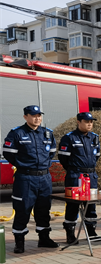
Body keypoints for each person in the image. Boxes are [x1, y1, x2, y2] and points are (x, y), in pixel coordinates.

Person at [3, 105, 59, 253]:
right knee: (23, 209)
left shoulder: (47, 133)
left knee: (44, 209)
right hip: (25, 178)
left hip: (44, 178)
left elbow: (52, 152)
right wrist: (23, 165)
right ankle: (19, 242)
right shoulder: (17, 133)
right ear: (25, 117)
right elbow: (9, 153)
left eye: (39, 115)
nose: (37, 118)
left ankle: (44, 239)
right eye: (34, 115)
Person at [58, 112, 101, 244]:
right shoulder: (69, 138)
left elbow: (97, 156)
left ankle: (91, 231)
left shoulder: (95, 137)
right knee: (72, 206)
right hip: (75, 176)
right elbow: (63, 158)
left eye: (91, 122)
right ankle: (70, 233)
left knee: (91, 205)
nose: (89, 124)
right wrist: (75, 170)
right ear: (78, 122)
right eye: (86, 121)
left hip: (91, 176)